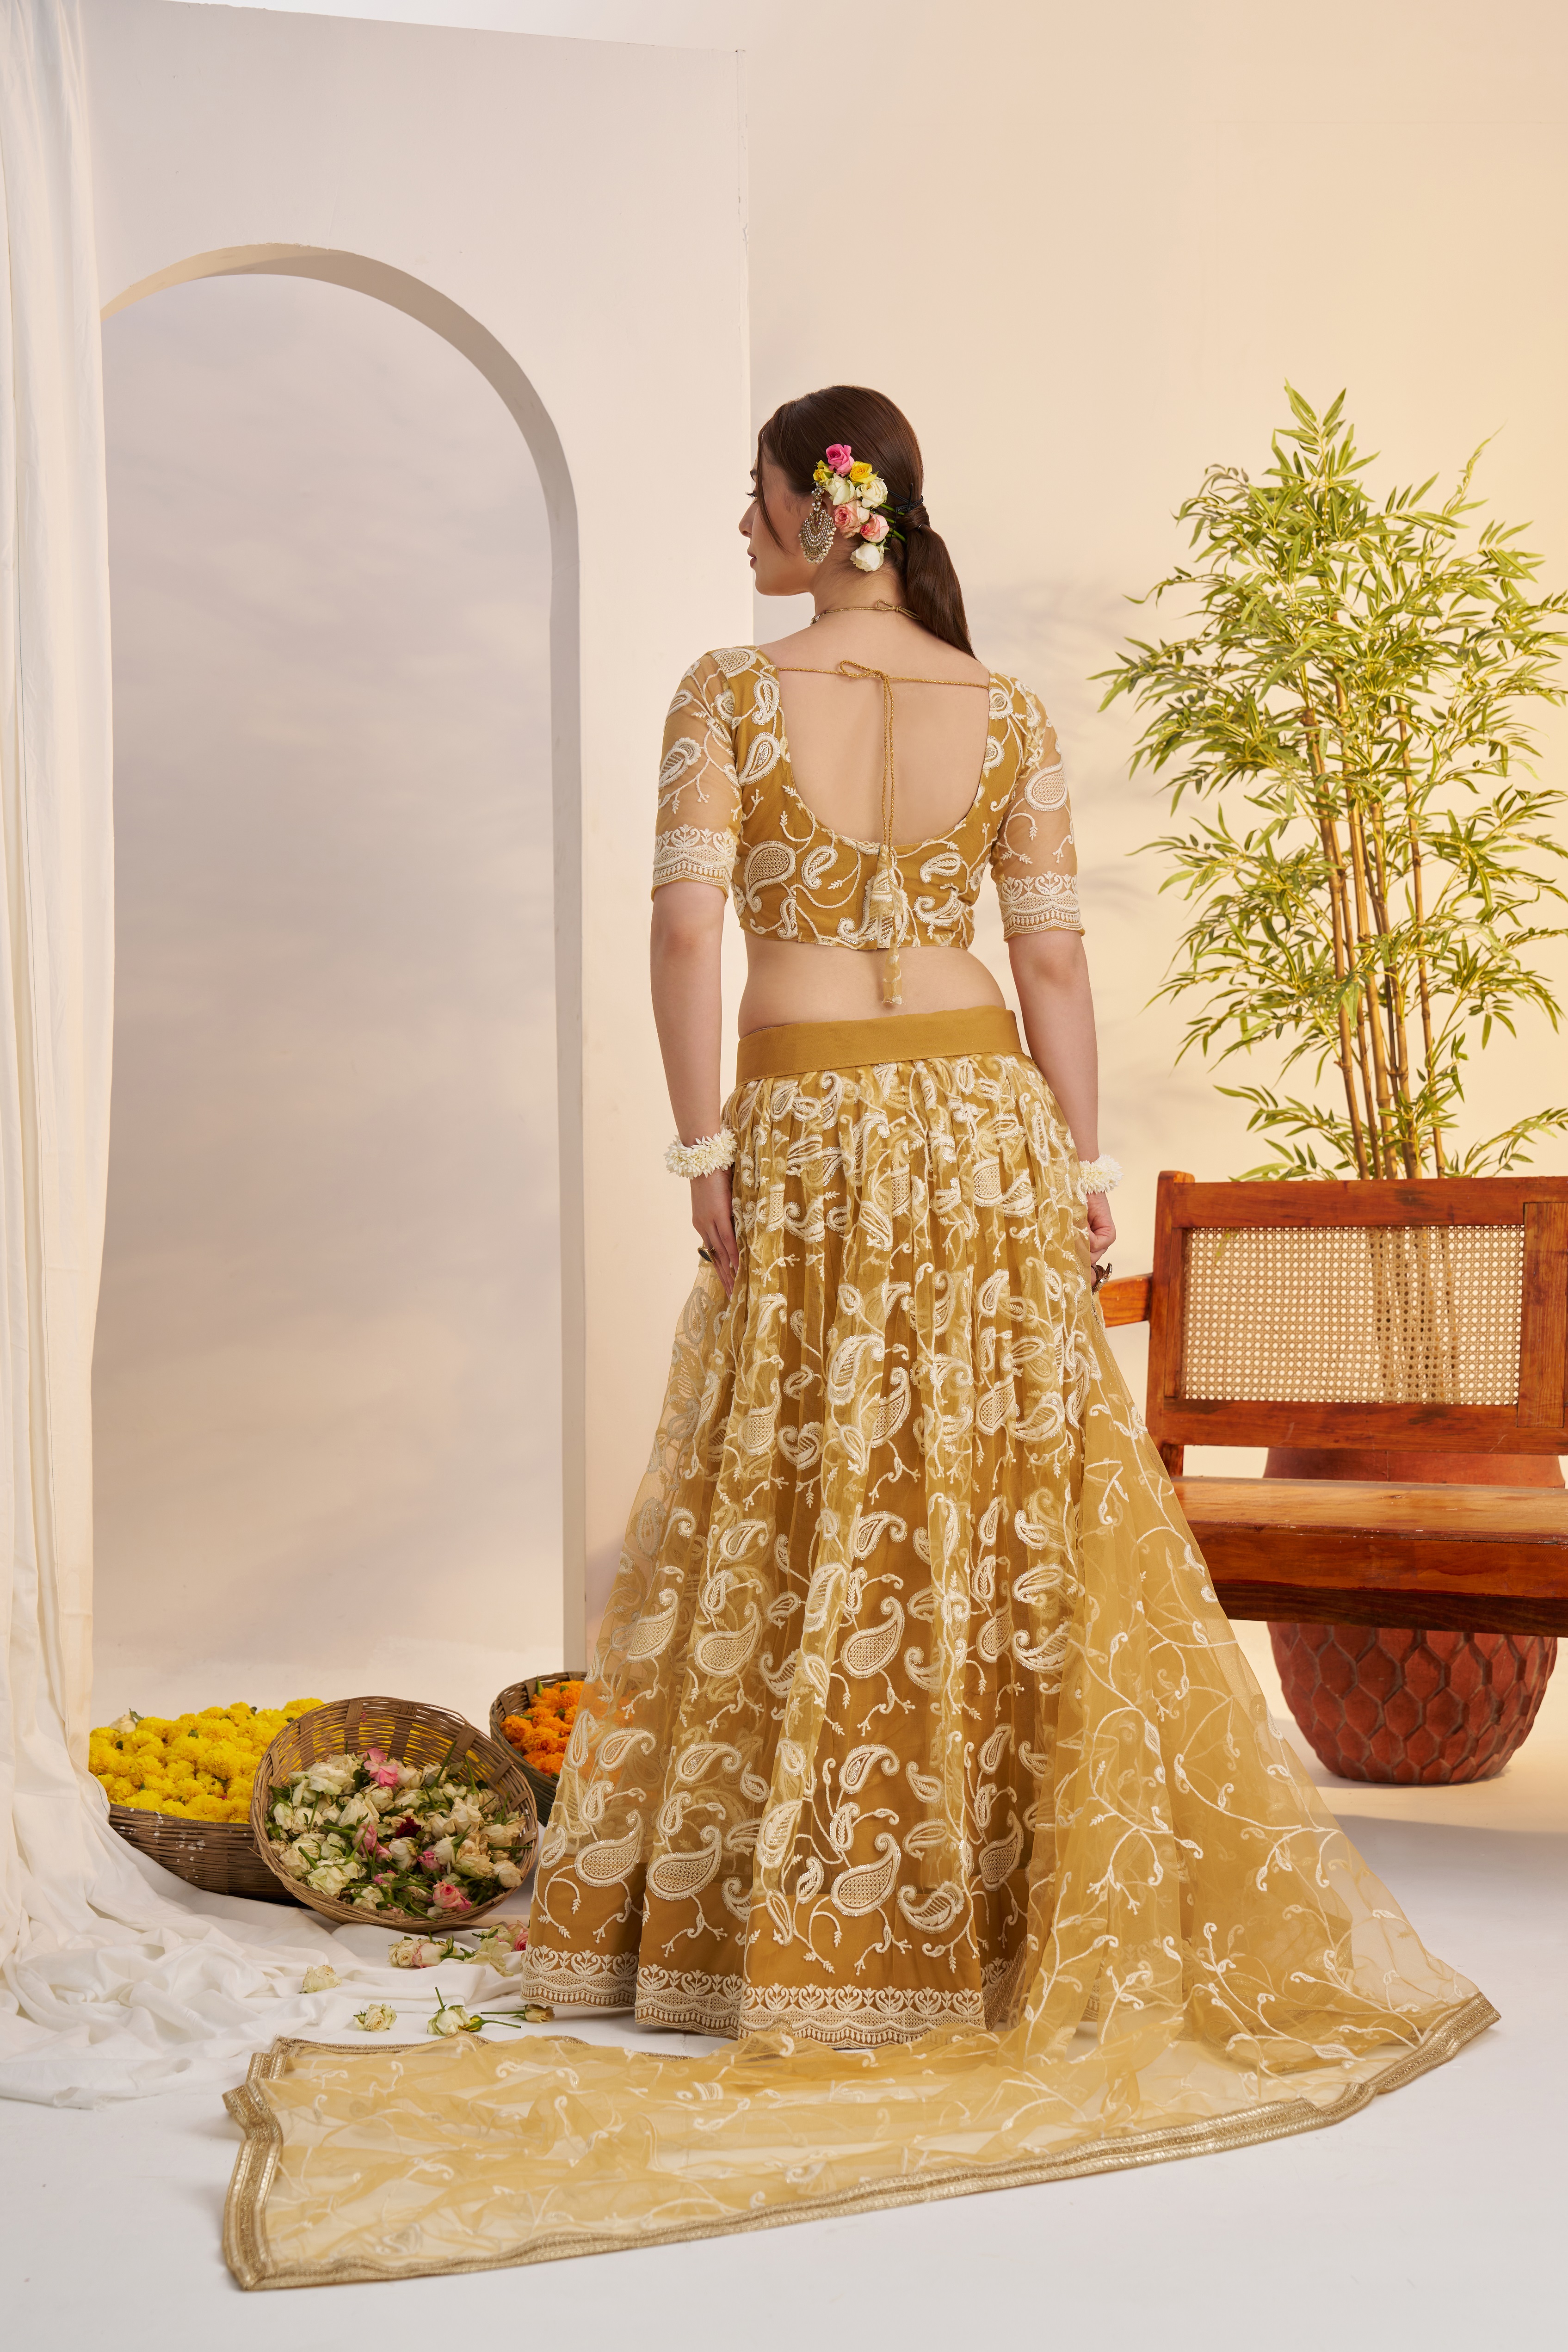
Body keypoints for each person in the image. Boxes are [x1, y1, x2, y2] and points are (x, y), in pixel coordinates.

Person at [502, 384, 1488, 2238]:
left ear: (821, 514)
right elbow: (1050, 958)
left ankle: (813, 1916)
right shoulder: (1006, 707)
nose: (740, 529)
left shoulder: (726, 695)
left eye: (753, 500)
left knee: (811, 1484)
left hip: (812, 1126)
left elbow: (687, 935)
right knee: (985, 1501)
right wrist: (1080, 1162)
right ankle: (994, 1898)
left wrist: (699, 1146)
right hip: (978, 1125)